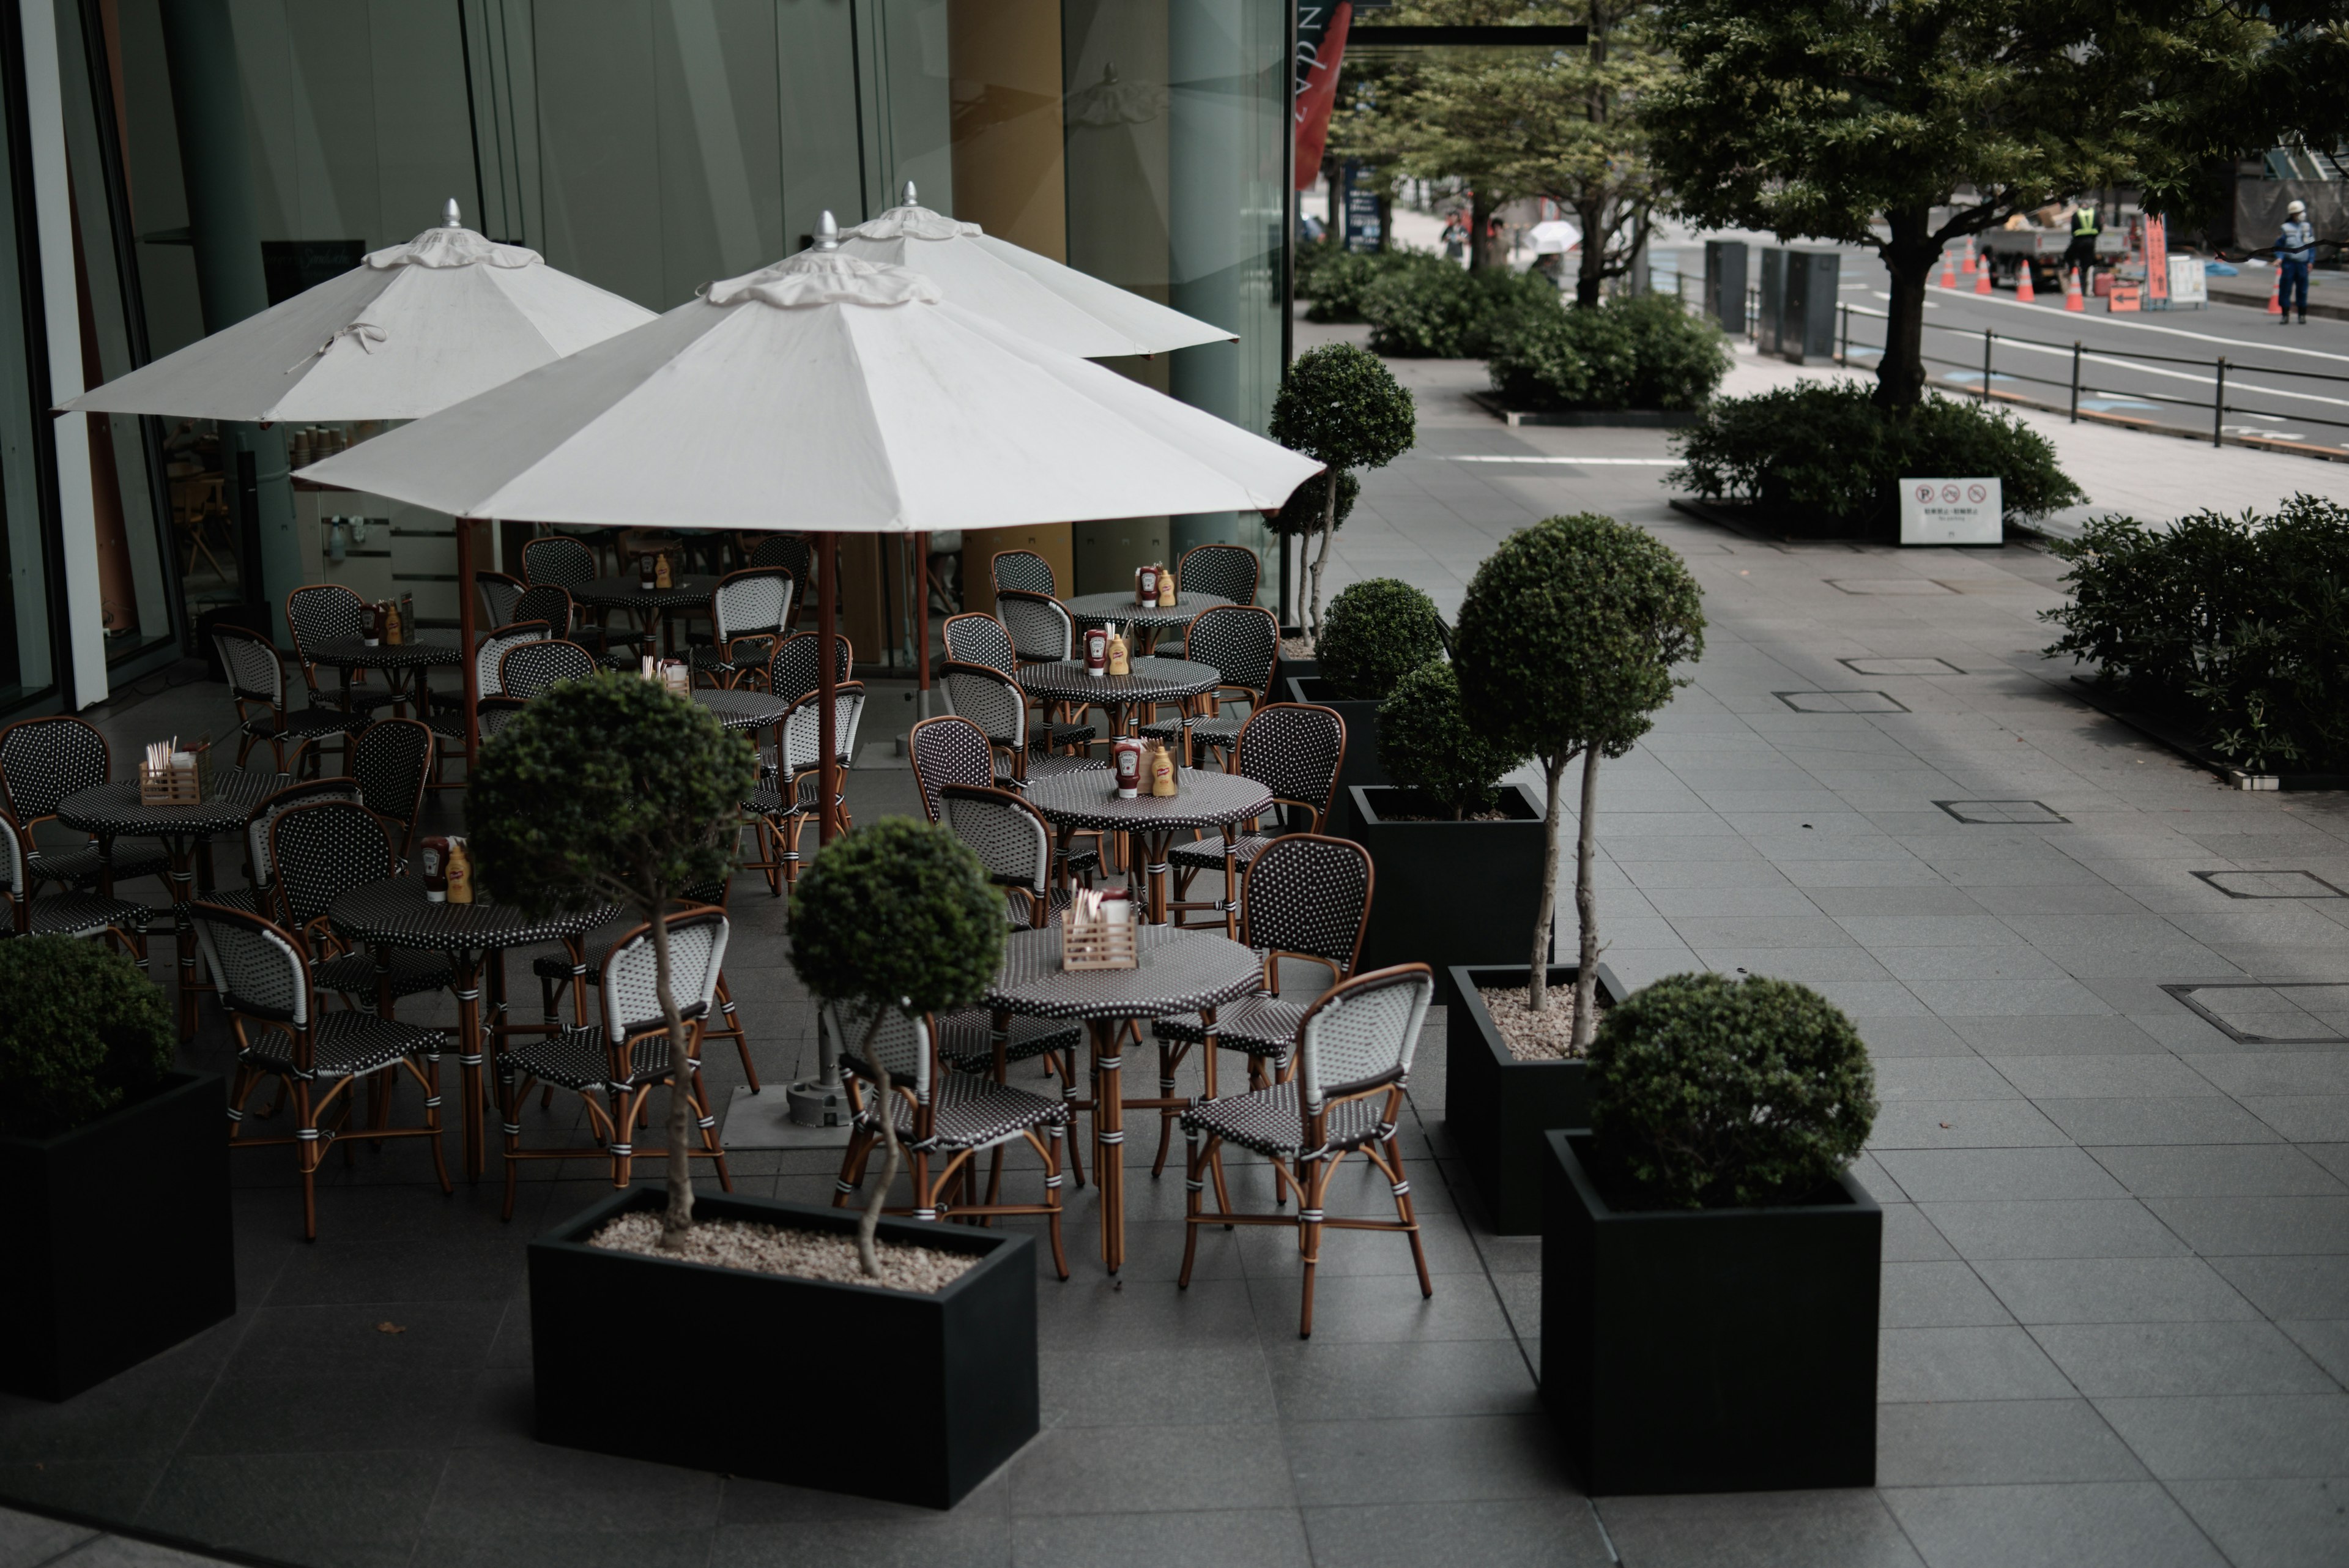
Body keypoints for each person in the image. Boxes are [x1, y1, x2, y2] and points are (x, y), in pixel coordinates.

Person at [2277, 198, 2315, 325]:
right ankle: (2285, 314)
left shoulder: (2307, 227)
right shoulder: (2285, 228)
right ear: (2293, 214)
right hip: (2289, 263)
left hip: (2302, 264)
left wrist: (2311, 261)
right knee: (2285, 289)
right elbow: (2279, 246)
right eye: (2299, 212)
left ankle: (2302, 315)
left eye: (2302, 211)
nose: (2302, 214)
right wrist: (2279, 258)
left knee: (2303, 289)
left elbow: (2311, 245)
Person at [2063, 200, 2101, 295]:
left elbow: (2073, 229)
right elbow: (2099, 227)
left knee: (2068, 256)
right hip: (2091, 241)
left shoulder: (2077, 214)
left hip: (2079, 241)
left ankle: (2074, 272)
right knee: (2087, 263)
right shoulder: (2095, 213)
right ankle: (2086, 287)